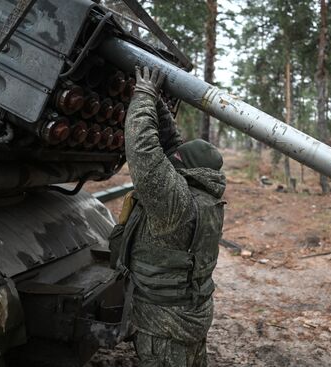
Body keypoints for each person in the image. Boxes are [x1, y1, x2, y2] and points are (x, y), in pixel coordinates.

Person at [116, 65, 226, 367]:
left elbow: (144, 151)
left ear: (186, 169)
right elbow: (172, 148)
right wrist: (160, 106)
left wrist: (143, 95)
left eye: (175, 160)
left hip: (165, 326)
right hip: (189, 317)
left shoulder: (175, 203)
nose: (171, 159)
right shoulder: (204, 196)